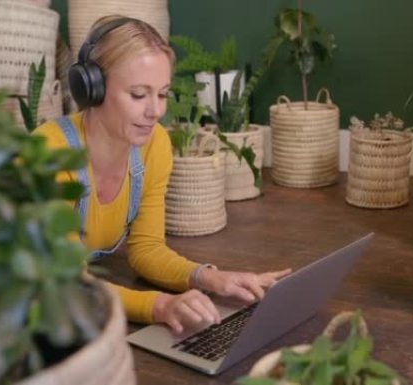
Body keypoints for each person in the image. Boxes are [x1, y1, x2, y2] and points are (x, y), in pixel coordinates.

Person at [33, 15, 290, 334]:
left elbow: (147, 250)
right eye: (139, 95)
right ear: (92, 89)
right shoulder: (49, 152)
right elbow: (69, 283)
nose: (155, 111)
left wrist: (211, 278)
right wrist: (158, 306)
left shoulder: (154, 145)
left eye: (162, 94)